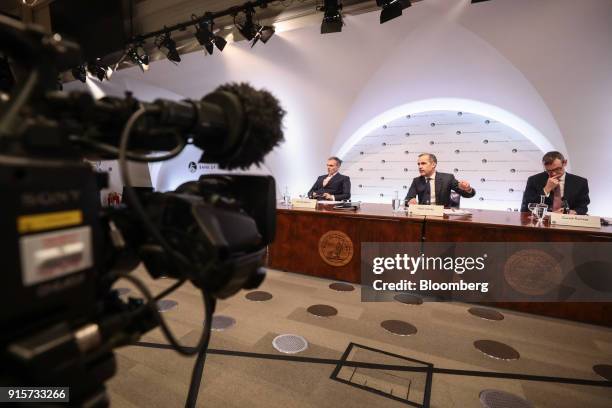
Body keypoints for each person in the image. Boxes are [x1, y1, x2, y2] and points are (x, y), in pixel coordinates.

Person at [520, 151, 589, 215]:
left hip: (568, 220)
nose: (553, 173)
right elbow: (528, 206)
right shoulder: (534, 180)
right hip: (543, 220)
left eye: (557, 169)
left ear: (565, 163)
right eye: (549, 171)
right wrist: (546, 189)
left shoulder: (580, 182)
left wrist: (573, 212)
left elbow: (583, 207)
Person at [405, 153, 476, 206]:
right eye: (418, 164)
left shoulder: (447, 178)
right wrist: (410, 201)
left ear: (433, 165)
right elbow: (408, 198)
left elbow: (468, 195)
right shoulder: (416, 181)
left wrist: (468, 189)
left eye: (423, 163)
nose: (420, 167)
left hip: (442, 217)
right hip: (423, 216)